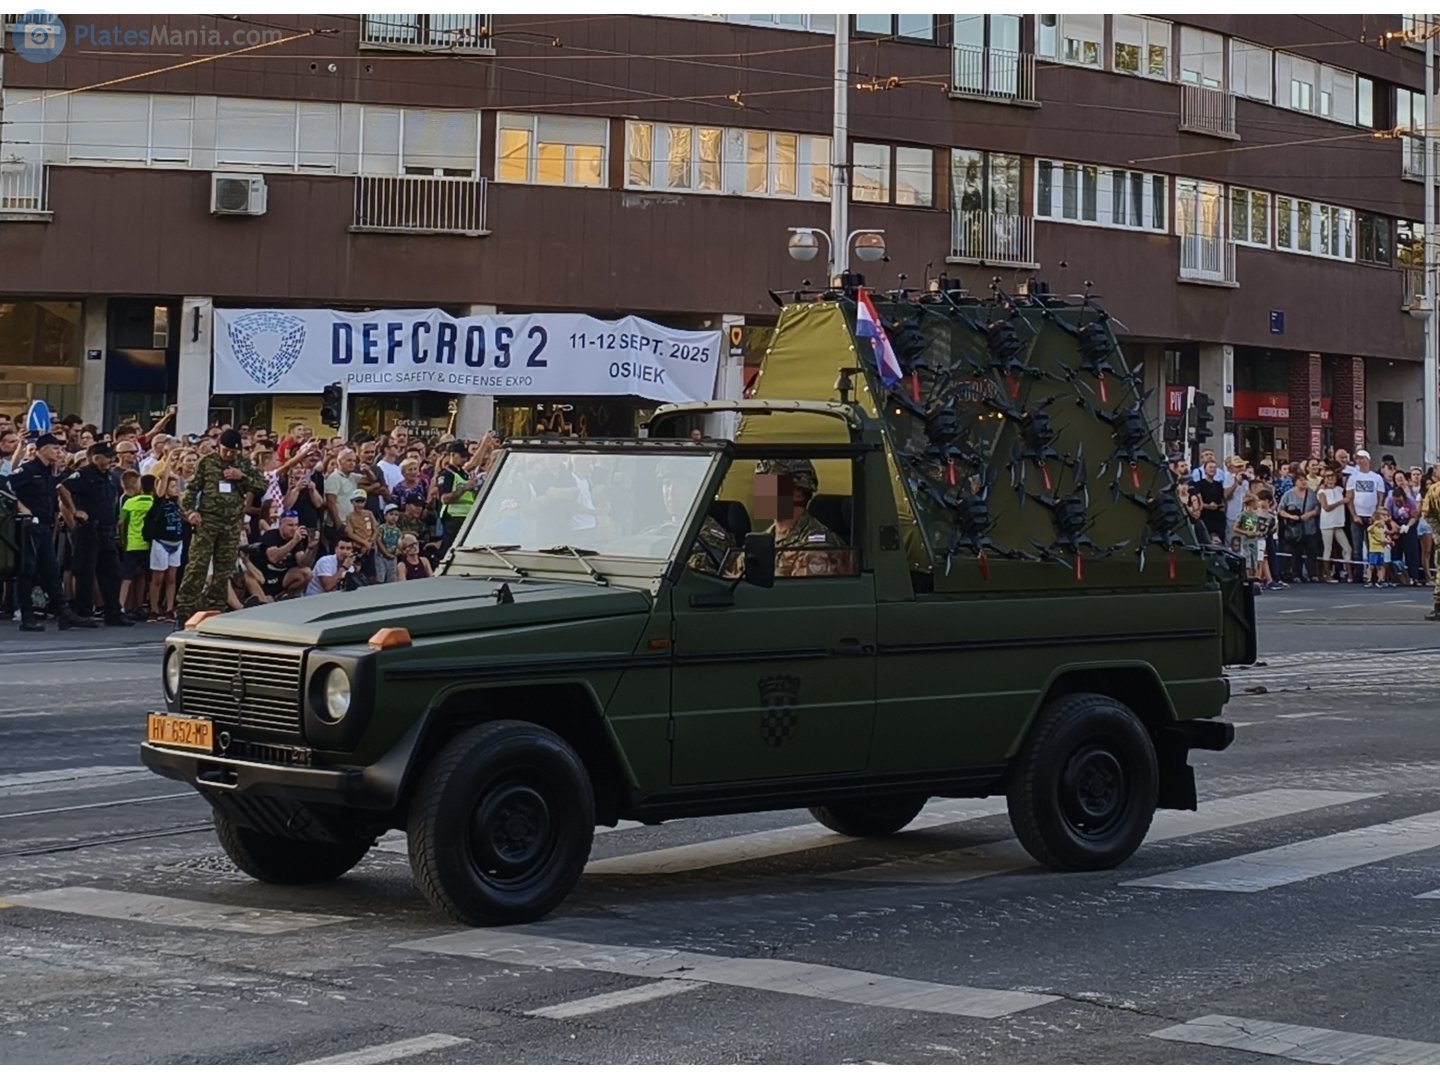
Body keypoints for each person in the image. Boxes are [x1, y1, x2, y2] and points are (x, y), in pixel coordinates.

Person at [2, 433, 96, 631]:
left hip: (44, 526)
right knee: (27, 570)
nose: (59, 452)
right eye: (55, 448)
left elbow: (62, 488)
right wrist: (20, 506)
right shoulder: (27, 470)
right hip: (28, 526)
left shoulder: (50, 472)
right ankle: (27, 616)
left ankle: (64, 613)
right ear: (42, 449)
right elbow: (5, 486)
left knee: (51, 570)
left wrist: (73, 510)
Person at [174, 429, 265, 623]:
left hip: (231, 525)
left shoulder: (243, 464)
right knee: (197, 567)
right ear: (219, 447)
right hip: (208, 522)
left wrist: (242, 477)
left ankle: (215, 607)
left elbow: (261, 486)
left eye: (233, 451)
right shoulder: (206, 463)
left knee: (223, 570)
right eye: (226, 451)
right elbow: (189, 492)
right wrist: (191, 512)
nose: (229, 455)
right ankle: (184, 610)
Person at [58, 442, 131, 625]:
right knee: (85, 573)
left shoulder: (109, 477)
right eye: (107, 457)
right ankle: (83, 613)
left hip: (106, 531)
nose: (110, 460)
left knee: (113, 572)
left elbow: (113, 498)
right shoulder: (84, 474)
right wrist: (75, 511)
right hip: (88, 530)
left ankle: (113, 613)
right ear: (96, 458)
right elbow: (62, 488)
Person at [753, 458, 852, 577]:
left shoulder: (818, 546)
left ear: (798, 492)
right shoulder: (763, 539)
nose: (762, 491)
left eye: (771, 484)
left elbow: (801, 593)